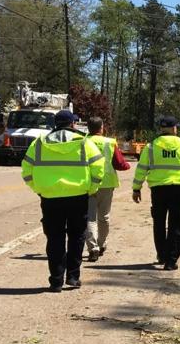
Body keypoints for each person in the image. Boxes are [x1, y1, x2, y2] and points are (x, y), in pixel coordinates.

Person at [21, 109, 105, 291]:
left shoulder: (39, 143)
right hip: (78, 196)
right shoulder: (84, 143)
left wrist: (39, 189)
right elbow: (99, 167)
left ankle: (56, 280)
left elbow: (26, 171)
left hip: (50, 198)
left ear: (55, 123)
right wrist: (92, 189)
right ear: (73, 124)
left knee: (54, 239)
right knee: (77, 237)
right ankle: (73, 277)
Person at [131, 116, 180, 271]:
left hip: (158, 189)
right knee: (176, 224)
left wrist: (136, 188)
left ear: (161, 129)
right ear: (174, 129)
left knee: (159, 222)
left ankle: (161, 255)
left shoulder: (151, 147)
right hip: (179, 189)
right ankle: (171, 261)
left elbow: (141, 169)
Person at [83, 116, 130, 263]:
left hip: (87, 184)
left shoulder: (82, 142)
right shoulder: (110, 142)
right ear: (101, 128)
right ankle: (101, 244)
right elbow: (119, 163)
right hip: (107, 184)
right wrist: (127, 165)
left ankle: (93, 248)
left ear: (88, 128)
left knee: (89, 218)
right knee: (104, 217)